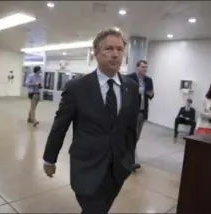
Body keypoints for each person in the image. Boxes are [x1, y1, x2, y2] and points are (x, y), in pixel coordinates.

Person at [43, 29, 139, 214]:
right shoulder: (77, 88)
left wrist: (129, 158)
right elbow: (60, 126)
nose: (115, 54)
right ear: (95, 53)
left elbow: (130, 128)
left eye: (119, 49)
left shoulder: (131, 88)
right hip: (86, 166)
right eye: (109, 48)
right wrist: (50, 158)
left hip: (117, 168)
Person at [127, 60, 154, 170]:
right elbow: (125, 93)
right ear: (137, 67)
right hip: (132, 112)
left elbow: (152, 94)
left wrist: (147, 92)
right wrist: (135, 91)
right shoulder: (129, 78)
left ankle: (131, 155)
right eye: (142, 67)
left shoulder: (148, 80)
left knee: (136, 136)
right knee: (131, 135)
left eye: (146, 67)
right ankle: (132, 159)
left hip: (142, 112)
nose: (144, 69)